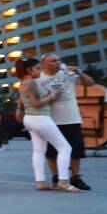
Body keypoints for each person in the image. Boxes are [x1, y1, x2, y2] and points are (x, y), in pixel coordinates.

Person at [15, 57, 80, 192]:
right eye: (37, 68)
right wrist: (53, 95)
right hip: (40, 118)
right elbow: (36, 104)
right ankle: (63, 181)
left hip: (30, 118)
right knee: (65, 148)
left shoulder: (23, 82)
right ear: (29, 70)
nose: (40, 71)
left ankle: (41, 182)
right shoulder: (31, 83)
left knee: (39, 151)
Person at [38, 53, 94, 190]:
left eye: (58, 60)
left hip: (71, 118)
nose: (57, 63)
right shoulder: (39, 78)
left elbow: (90, 83)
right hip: (51, 120)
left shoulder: (68, 75)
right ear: (44, 63)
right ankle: (56, 177)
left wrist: (78, 72)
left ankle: (76, 177)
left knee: (76, 149)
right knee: (51, 152)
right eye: (53, 61)